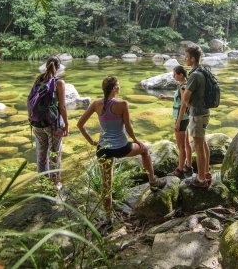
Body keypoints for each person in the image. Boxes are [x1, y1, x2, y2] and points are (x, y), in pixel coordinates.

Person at [77, 75, 165, 224]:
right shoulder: (122, 104)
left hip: (103, 149)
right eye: (118, 85)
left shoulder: (96, 104)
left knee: (106, 184)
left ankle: (108, 218)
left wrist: (92, 141)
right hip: (122, 148)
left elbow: (80, 124)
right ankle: (152, 181)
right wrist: (137, 140)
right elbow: (129, 127)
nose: (119, 87)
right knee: (145, 151)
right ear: (114, 89)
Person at [30, 56, 69, 189]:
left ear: (46, 66)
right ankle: (55, 182)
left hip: (37, 123)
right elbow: (62, 107)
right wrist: (67, 124)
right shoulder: (59, 83)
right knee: (54, 153)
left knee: (41, 153)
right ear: (58, 68)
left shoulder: (38, 79)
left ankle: (42, 182)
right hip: (52, 124)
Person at [177, 45, 211, 188]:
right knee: (203, 143)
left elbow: (185, 98)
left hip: (197, 114)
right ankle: (206, 172)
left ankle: (201, 180)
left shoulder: (195, 75)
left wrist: (182, 89)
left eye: (186, 56)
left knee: (198, 146)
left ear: (192, 58)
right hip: (205, 112)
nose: (185, 59)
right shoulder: (204, 70)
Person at [159, 65, 193, 177]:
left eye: (175, 74)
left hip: (181, 118)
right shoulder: (185, 84)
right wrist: (166, 97)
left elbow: (183, 104)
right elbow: (180, 100)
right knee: (187, 144)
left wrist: (178, 122)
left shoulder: (183, 86)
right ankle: (188, 166)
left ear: (181, 75)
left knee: (181, 146)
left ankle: (180, 170)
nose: (173, 76)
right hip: (185, 118)